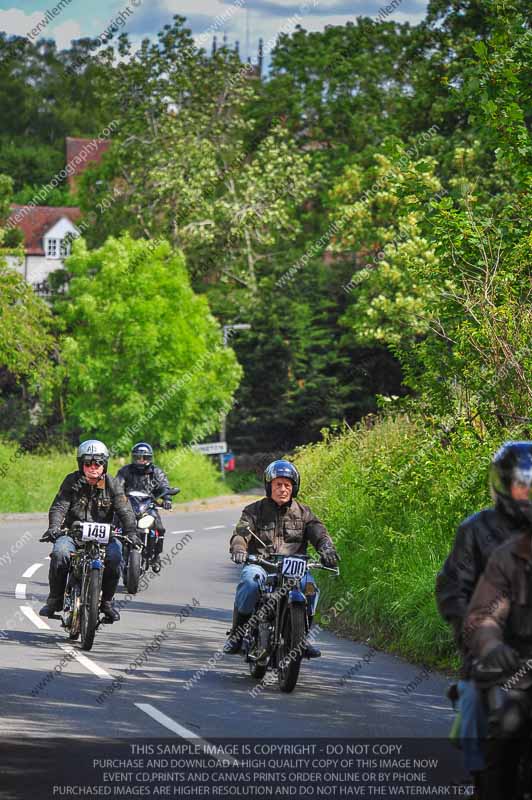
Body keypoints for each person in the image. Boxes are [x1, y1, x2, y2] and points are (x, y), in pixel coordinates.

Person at [435, 441, 530, 782]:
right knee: (475, 701)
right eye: (522, 484)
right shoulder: (475, 530)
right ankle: (481, 779)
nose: (528, 492)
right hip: (492, 646)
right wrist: (474, 634)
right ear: (503, 484)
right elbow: (452, 588)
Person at [464, 441, 532, 800]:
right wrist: (490, 644)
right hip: (516, 664)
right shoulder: (504, 554)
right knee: (502, 721)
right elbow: (484, 609)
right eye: (521, 484)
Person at [224, 459, 339, 657]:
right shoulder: (253, 511)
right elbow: (241, 533)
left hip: (295, 567)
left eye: (287, 485)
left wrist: (327, 549)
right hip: (261, 564)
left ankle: (301, 639)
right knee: (250, 582)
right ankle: (238, 634)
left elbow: (319, 533)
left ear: (294, 488)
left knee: (310, 589)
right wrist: (239, 548)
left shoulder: (304, 513)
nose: (283, 489)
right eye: (278, 484)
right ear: (269, 486)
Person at [39, 439, 138, 622]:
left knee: (116, 557)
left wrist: (131, 532)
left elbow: (125, 510)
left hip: (104, 536)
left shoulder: (113, 484)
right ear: (81, 464)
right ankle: (55, 599)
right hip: (72, 534)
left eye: (98, 463)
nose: (93, 467)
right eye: (88, 463)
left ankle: (107, 602)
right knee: (59, 553)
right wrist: (54, 527)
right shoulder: (71, 481)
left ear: (105, 464)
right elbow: (59, 507)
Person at [116, 442, 173, 569]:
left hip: (148, 506)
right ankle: (111, 554)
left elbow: (164, 486)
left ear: (149, 458)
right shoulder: (125, 471)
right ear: (133, 458)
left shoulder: (156, 472)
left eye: (144, 458)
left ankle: (156, 556)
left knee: (159, 528)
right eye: (138, 457)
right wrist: (116, 498)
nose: (141, 461)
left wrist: (167, 499)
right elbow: (117, 486)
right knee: (115, 527)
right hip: (128, 506)